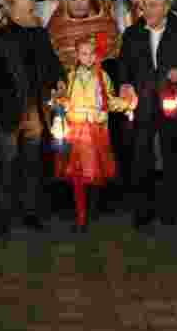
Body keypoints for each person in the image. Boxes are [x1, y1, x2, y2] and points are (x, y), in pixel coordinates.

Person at [118, 0, 177, 230]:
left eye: (154, 5)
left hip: (173, 103)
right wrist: (124, 84)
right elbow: (123, 64)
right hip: (143, 103)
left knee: (173, 156)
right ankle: (142, 211)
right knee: (141, 157)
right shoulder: (132, 33)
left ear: (166, 7)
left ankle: (170, 210)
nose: (148, 10)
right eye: (145, 5)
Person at [0, 0, 65, 238]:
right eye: (29, 11)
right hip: (7, 112)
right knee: (7, 166)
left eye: (33, 9)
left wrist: (59, 79)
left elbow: (52, 63)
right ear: (14, 13)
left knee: (32, 164)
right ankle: (3, 216)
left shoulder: (39, 35)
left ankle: (31, 212)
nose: (34, 15)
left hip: (34, 110)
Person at [53, 36, 133, 234]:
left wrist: (126, 104)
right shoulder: (70, 77)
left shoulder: (102, 77)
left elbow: (109, 101)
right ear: (77, 55)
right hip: (75, 131)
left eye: (91, 53)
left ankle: (92, 208)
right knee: (78, 175)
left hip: (96, 132)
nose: (88, 57)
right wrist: (58, 102)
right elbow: (63, 100)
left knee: (95, 173)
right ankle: (81, 216)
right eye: (84, 53)